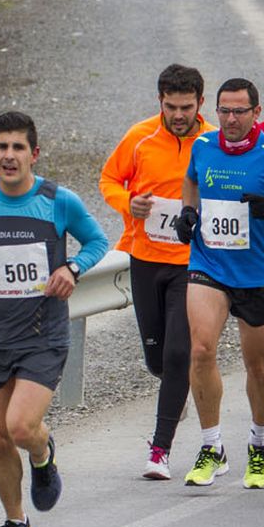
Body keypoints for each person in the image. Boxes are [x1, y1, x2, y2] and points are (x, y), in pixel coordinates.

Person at [0, 112, 110, 527]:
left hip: (43, 333)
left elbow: (97, 242)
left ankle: (41, 452)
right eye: (2, 148)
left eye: (19, 148)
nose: (10, 156)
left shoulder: (58, 201)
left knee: (20, 427)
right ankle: (17, 522)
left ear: (34, 154)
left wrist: (72, 268)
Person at [168, 80, 264, 491]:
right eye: (225, 110)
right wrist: (188, 212)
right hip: (209, 264)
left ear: (257, 112)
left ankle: (258, 446)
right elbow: (191, 180)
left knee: (257, 365)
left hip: (258, 273)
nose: (232, 119)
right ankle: (211, 446)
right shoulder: (203, 145)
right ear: (215, 111)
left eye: (240, 111)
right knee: (201, 349)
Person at [99, 65, 214, 479]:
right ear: (160, 102)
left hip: (194, 265)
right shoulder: (140, 137)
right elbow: (109, 179)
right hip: (146, 260)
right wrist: (128, 202)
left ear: (201, 103)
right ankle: (175, 390)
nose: (178, 115)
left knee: (180, 352)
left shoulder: (213, 140)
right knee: (158, 360)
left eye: (186, 107)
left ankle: (159, 450)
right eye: (171, 107)